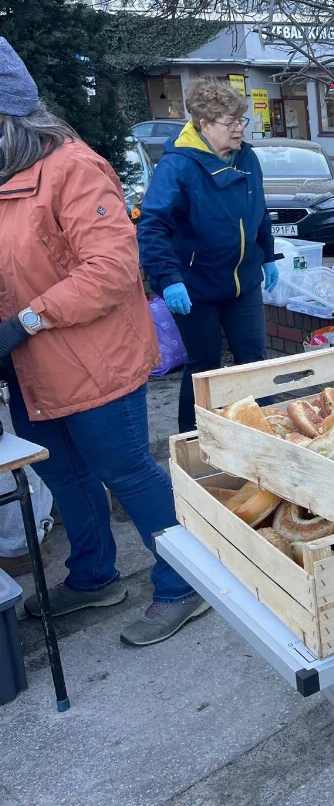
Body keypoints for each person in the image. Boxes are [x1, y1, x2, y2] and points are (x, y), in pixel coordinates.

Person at [0, 37, 208, 645]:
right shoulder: (6, 176)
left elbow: (112, 270)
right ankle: (94, 577)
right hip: (33, 369)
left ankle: (185, 583)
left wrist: (27, 321)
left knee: (127, 471)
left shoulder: (74, 169)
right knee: (63, 474)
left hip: (95, 363)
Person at [137, 81, 281, 433]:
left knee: (253, 362)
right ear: (204, 124)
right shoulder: (178, 166)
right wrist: (168, 279)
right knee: (205, 367)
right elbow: (152, 225)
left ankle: (267, 436)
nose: (239, 129)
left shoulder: (246, 156)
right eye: (229, 123)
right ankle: (194, 439)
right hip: (194, 286)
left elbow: (257, 209)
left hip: (242, 280)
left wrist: (268, 255)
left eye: (241, 121)